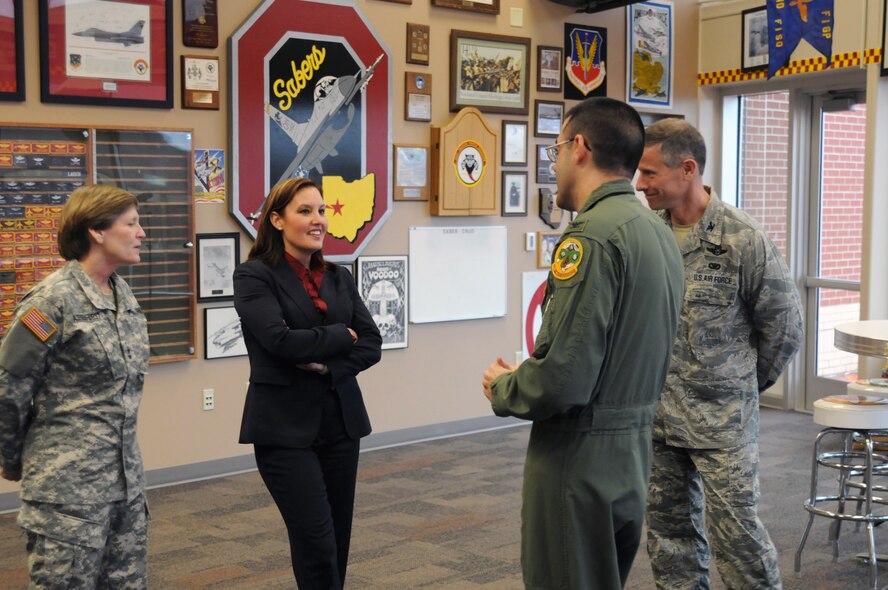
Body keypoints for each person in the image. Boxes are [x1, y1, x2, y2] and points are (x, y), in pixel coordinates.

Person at [481, 97, 685, 590]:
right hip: (632, 452)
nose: (552, 165)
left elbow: (563, 379)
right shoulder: (656, 233)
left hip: (579, 456)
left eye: (554, 150)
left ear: (580, 147)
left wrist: (506, 387)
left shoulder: (590, 238)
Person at [636, 118, 804, 589]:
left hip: (722, 422)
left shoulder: (741, 238)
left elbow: (785, 327)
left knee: (738, 538)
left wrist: (743, 387)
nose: (639, 183)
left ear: (687, 169)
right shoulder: (647, 235)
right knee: (670, 538)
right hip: (659, 420)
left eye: (649, 173)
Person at [233, 177, 382, 589]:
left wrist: (328, 366)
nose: (318, 220)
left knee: (337, 539)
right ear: (277, 220)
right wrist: (339, 336)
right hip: (283, 430)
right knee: (314, 540)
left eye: (320, 211)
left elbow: (371, 343)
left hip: (340, 423)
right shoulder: (254, 276)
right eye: (305, 211)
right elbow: (279, 341)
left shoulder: (339, 276)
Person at [0, 184, 150, 587]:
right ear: (97, 231)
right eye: (131, 224)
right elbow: (8, 389)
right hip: (66, 494)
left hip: (125, 487)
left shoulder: (123, 295)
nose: (142, 233)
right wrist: (14, 459)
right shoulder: (50, 302)